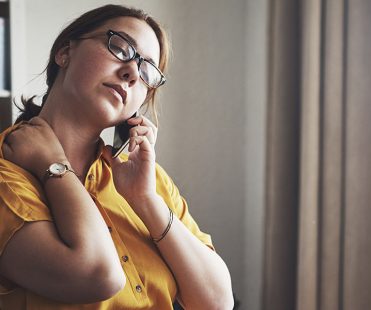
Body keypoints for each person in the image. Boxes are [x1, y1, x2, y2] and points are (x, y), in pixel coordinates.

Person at [0, 4, 233, 310]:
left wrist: (145, 200)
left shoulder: (146, 179)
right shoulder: (7, 173)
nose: (133, 73)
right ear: (65, 53)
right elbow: (97, 275)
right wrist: (53, 167)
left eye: (148, 70)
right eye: (121, 48)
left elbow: (217, 303)